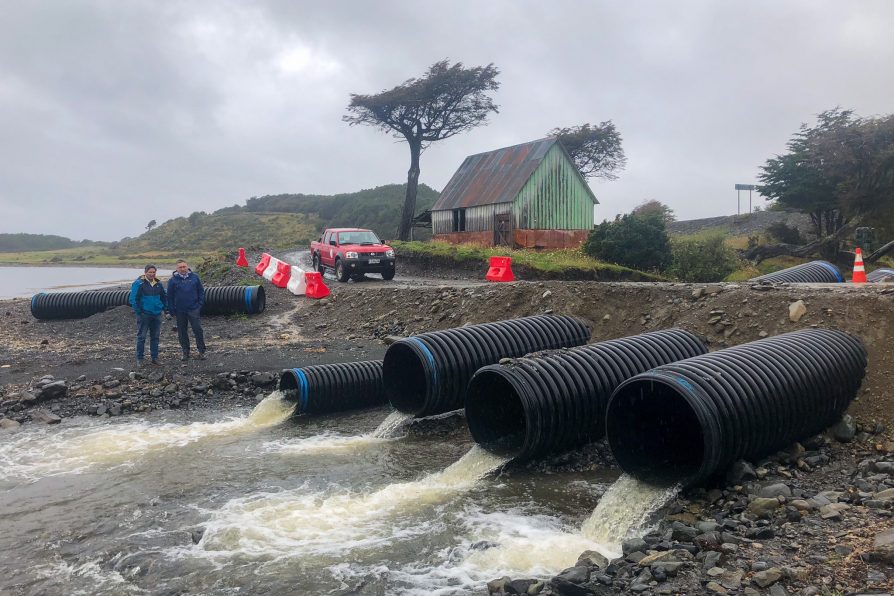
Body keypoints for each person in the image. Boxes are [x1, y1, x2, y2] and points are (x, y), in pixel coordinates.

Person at [167, 259, 206, 361]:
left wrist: (199, 305)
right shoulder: (173, 280)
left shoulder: (195, 277)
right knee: (182, 332)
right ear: (177, 269)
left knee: (197, 330)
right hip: (180, 310)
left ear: (187, 266)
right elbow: (169, 296)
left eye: (184, 266)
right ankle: (185, 352)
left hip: (193, 308)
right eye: (180, 267)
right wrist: (171, 310)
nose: (182, 269)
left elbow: (201, 292)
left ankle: (201, 351)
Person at [129, 264, 167, 366]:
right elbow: (133, 299)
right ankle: (140, 359)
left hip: (157, 314)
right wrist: (139, 312)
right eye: (150, 272)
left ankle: (154, 358)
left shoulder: (158, 284)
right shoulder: (139, 283)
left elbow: (163, 296)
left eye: (153, 272)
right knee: (141, 337)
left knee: (155, 337)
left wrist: (164, 308)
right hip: (144, 315)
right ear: (145, 272)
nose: (152, 274)